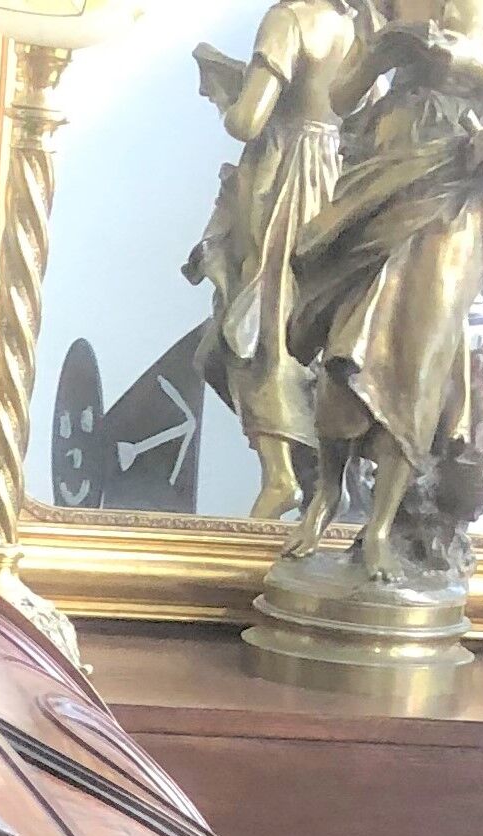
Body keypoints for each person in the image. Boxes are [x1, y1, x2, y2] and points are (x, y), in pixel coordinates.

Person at [284, 0, 483, 587]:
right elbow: (342, 95)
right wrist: (379, 55)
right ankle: (325, 497)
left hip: (461, 173)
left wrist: (472, 64)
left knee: (422, 349)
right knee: (346, 339)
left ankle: (378, 526)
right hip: (387, 163)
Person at [188, 5, 366, 523]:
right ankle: (318, 477)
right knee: (300, 325)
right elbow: (361, 110)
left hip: (281, 178)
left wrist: (231, 89)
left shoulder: (288, 19)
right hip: (332, 180)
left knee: (259, 325)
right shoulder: (355, 26)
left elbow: (247, 121)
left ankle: (279, 477)